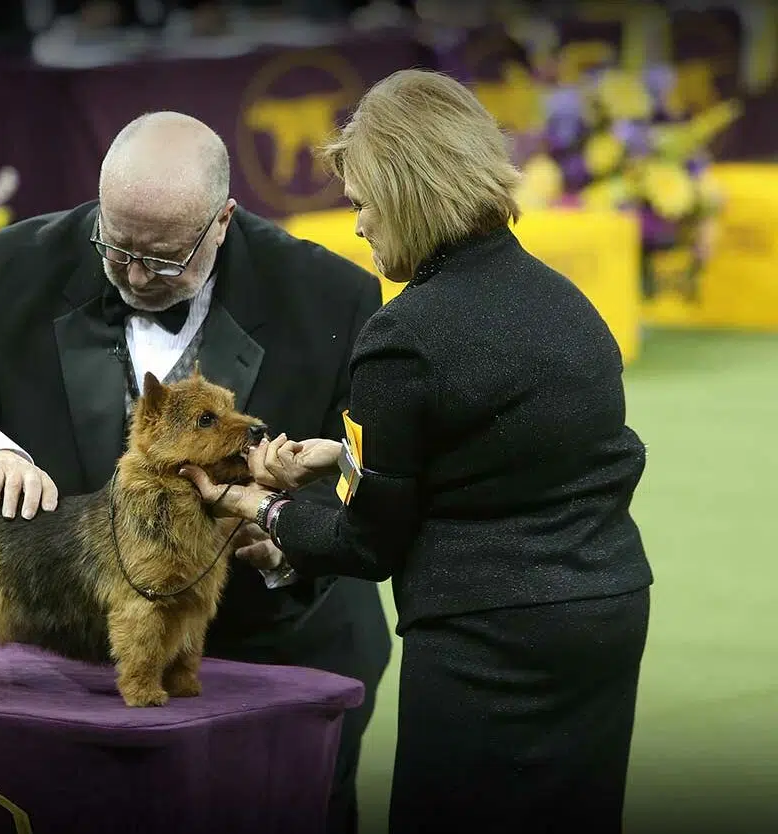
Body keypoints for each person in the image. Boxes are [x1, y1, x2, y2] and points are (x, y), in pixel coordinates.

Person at [180, 69, 654, 834]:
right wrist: (343, 457)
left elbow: (369, 545)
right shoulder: (566, 303)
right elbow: (500, 455)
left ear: (404, 195)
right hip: (605, 614)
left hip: (487, 640)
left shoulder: (404, 338)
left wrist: (258, 505)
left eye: (363, 204)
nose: (360, 226)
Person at [0, 110, 392, 834]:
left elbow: (375, 473)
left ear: (222, 221)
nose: (132, 274)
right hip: (75, 659)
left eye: (160, 260)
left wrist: (301, 535)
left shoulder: (329, 294)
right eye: (116, 247)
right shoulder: (16, 264)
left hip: (280, 649)